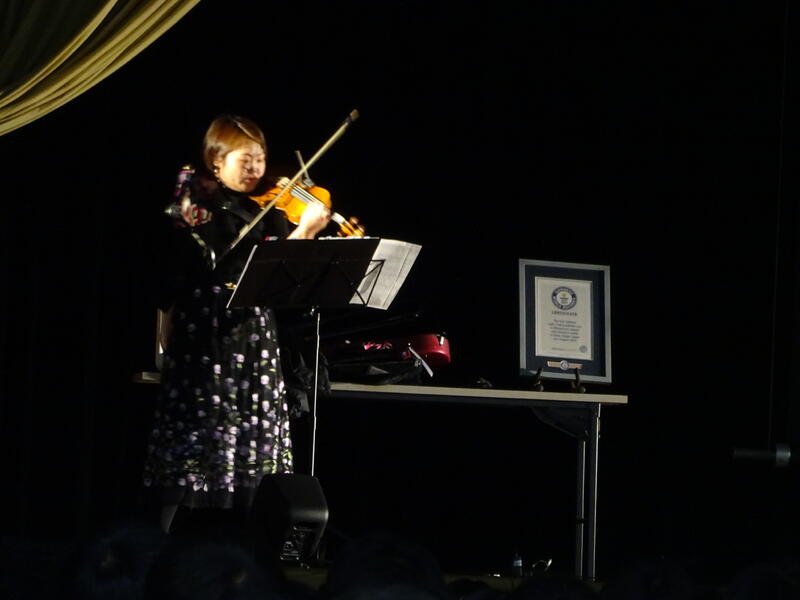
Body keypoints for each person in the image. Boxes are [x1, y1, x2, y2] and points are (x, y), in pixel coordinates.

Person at [142, 114, 331, 535]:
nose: (256, 168)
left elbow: (284, 283)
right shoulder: (195, 200)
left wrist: (305, 236)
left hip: (255, 348)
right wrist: (300, 235)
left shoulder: (266, 209)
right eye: (245, 159)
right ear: (217, 160)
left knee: (254, 464)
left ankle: (249, 555)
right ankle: (154, 550)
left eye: (260, 158)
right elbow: (217, 266)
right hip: (208, 343)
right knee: (191, 455)